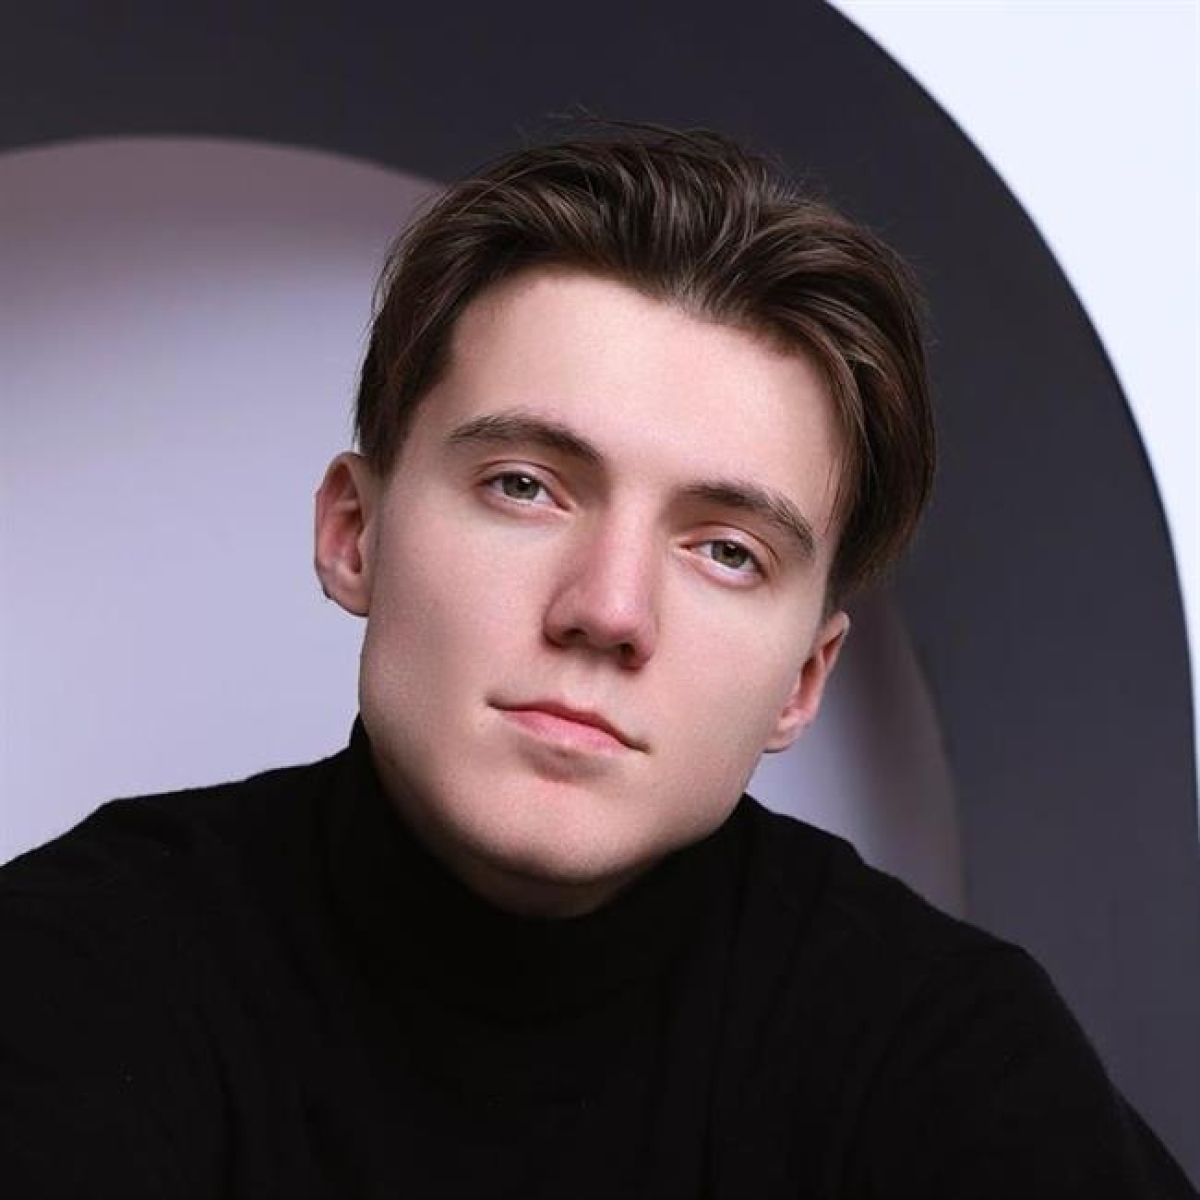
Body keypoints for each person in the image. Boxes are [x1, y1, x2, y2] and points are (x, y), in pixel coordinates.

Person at [1, 123, 1193, 1199]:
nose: (609, 611)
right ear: (354, 534)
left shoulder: (944, 1050)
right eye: (525, 486)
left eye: (725, 551)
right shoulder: (84, 965)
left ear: (802, 681)